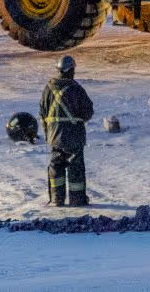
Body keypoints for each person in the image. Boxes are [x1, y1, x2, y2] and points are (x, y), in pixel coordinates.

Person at [40, 54, 94, 207]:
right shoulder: (76, 89)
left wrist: (48, 134)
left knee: (56, 166)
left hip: (54, 136)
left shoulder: (48, 88)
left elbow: (42, 112)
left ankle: (57, 199)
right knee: (75, 167)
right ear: (71, 70)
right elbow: (88, 112)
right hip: (73, 135)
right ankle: (77, 200)